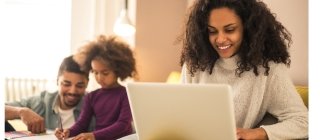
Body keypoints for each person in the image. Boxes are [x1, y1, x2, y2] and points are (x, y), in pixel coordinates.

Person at [178, 0, 308, 139]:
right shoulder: (195, 64)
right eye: (212, 31)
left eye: (230, 30)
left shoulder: (268, 70)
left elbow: (304, 122)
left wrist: (259, 133)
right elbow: (180, 113)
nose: (220, 39)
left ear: (247, 28)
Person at [55, 35, 137, 140]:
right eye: (95, 72)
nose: (99, 77)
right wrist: (68, 132)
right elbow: (81, 124)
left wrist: (94, 135)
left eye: (105, 73)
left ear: (118, 70)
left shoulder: (126, 94)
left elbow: (123, 124)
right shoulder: (91, 96)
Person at [5, 55, 94, 134]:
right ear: (57, 81)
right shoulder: (41, 102)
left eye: (80, 85)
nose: (73, 91)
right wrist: (20, 111)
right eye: (66, 84)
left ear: (87, 83)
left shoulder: (95, 104)